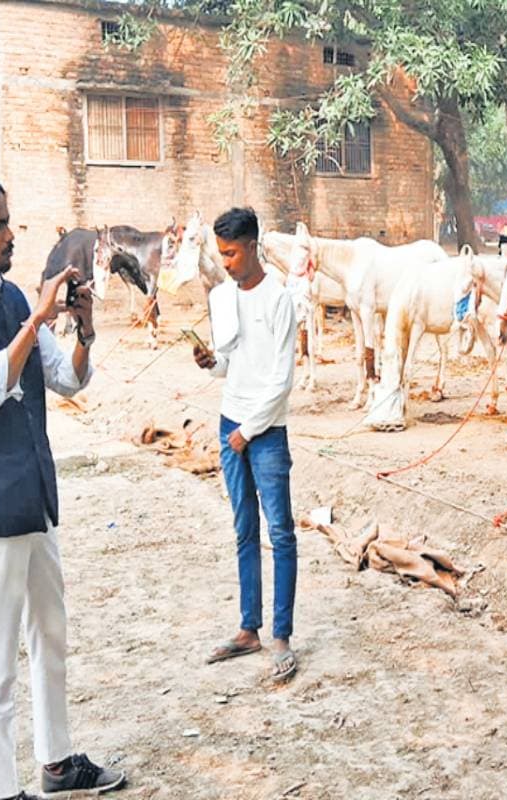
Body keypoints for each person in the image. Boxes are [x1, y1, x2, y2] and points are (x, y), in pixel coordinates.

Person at [0, 171, 126, 800]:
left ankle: (56, 764)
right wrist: (36, 320)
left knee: (51, 635)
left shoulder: (18, 301)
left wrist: (82, 328)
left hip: (37, 498)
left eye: (9, 220)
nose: (10, 233)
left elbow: (68, 381)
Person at [193, 207, 300, 683]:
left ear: (253, 247)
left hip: (264, 432)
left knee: (280, 534)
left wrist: (248, 430)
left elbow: (281, 380)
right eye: (222, 254)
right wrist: (209, 362)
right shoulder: (222, 297)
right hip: (230, 423)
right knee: (243, 530)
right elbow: (229, 364)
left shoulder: (280, 300)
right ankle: (248, 628)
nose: (227, 263)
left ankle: (281, 636)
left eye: (232, 253)